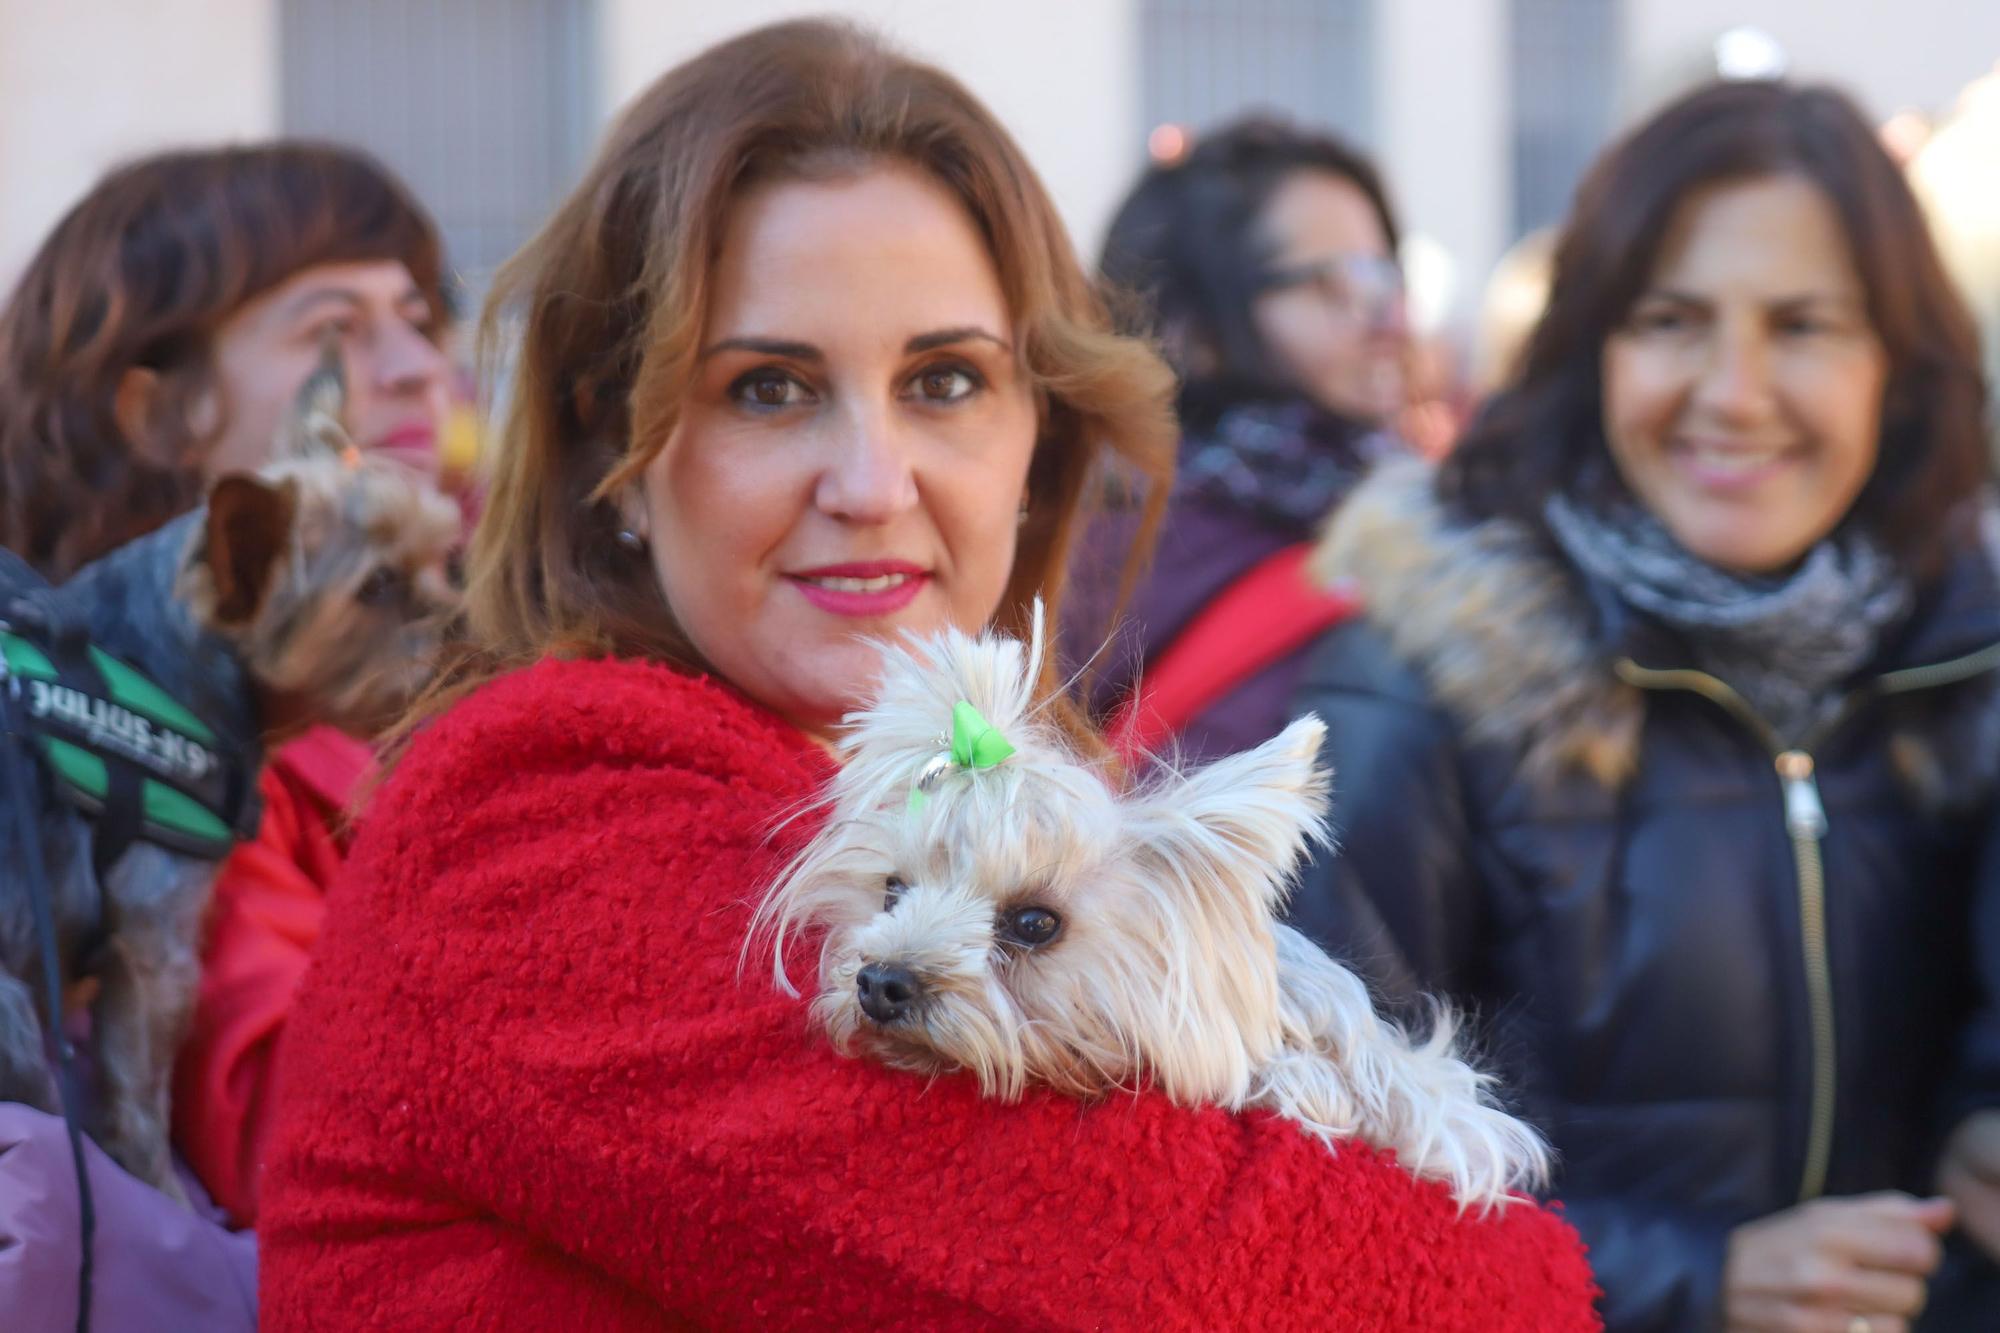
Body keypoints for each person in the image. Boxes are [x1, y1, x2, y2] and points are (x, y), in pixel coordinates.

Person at [256, 21, 1599, 1330]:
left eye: (946, 381)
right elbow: (1181, 1281)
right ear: (617, 448)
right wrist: (1541, 1279)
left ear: (1038, 443)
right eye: (770, 390)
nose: (871, 482)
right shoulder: (535, 816)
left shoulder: (917, 784)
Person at [1287, 79, 2000, 1331]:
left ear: (1896, 364)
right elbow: (1309, 1175)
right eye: (1670, 319)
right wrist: (1685, 1282)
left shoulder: (1967, 665)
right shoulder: (1418, 687)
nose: (1732, 391)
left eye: (1803, 325)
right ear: (1588, 347)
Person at [0, 141, 453, 1313]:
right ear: (157, 416)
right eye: (333, 333)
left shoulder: (396, 711)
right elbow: (316, 1133)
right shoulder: (140, 770)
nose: (416, 370)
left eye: (422, 317)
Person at [1077, 117, 1409, 765]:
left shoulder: (1098, 517)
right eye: (1334, 282)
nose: (1387, 319)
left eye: (1385, 275)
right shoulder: (1133, 548)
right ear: (1194, 330)